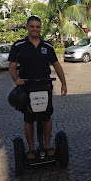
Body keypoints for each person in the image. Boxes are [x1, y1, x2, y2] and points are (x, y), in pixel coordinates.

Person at [8, 16, 67, 159]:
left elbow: (57, 66)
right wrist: (16, 79)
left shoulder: (47, 47)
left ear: (40, 28)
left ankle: (47, 145)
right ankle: (31, 149)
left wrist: (64, 83)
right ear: (27, 27)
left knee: (46, 117)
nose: (35, 29)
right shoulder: (19, 46)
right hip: (27, 87)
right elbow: (12, 67)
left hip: (45, 85)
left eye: (38, 26)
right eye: (32, 26)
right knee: (29, 118)